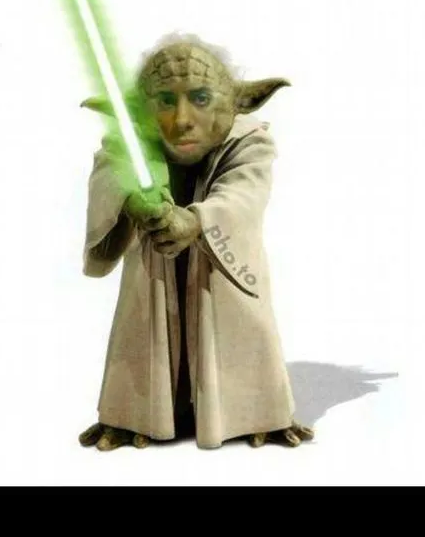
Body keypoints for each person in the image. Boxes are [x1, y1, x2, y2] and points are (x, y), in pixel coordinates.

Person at [78, 34, 314, 451]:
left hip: (222, 269)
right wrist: (133, 199)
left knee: (241, 325)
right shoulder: (131, 140)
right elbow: (112, 169)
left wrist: (195, 221)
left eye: (201, 98)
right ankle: (135, 413)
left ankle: (255, 411)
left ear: (234, 103)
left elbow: (244, 193)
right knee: (144, 326)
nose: (182, 120)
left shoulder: (249, 140)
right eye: (165, 101)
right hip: (153, 270)